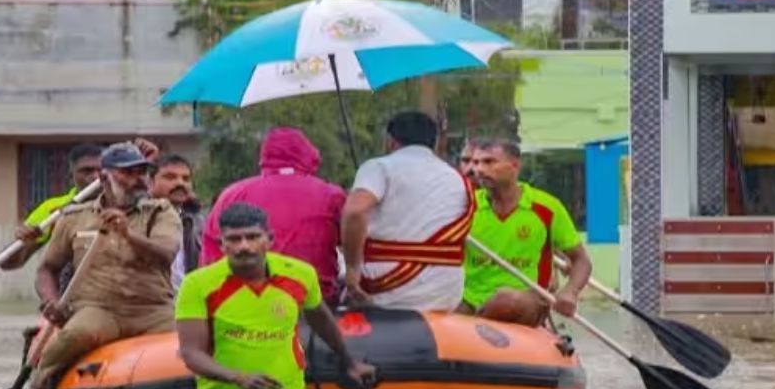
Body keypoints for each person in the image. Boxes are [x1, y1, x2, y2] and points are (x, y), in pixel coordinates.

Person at [177, 203, 374, 389]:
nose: (244, 246)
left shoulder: (300, 274)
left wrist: (349, 362)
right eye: (234, 239)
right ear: (221, 244)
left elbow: (321, 320)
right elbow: (190, 353)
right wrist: (238, 378)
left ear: (270, 240)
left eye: (253, 237)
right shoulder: (197, 285)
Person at [30, 142, 181, 389]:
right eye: (127, 173)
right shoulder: (74, 217)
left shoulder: (162, 212)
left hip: (153, 310)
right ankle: (39, 388)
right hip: (100, 310)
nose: (137, 180)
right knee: (72, 337)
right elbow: (47, 269)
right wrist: (51, 301)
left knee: (202, 337)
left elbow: (165, 254)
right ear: (103, 177)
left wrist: (128, 234)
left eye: (141, 172)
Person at [341, 111, 475, 311]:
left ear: (390, 141)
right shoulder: (457, 178)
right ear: (435, 143)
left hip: (387, 289)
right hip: (447, 291)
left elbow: (354, 213)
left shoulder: (378, 167)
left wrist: (352, 270)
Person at [201, 127, 346, 302]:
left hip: (243, 303)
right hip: (313, 301)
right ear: (309, 155)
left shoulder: (231, 194)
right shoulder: (331, 195)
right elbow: (353, 242)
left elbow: (209, 256)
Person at [461, 138, 592, 326]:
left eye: (489, 162)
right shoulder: (465, 205)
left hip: (528, 300)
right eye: (476, 163)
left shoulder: (546, 207)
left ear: (515, 166)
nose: (479, 170)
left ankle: (470, 332)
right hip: (470, 298)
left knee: (506, 300)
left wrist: (570, 291)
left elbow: (581, 260)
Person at [1, 143, 103, 271]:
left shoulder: (127, 204)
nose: (96, 177)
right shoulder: (54, 208)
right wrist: (24, 243)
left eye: (101, 170)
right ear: (71, 177)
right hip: (68, 288)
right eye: (87, 171)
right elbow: (7, 264)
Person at [151, 153, 204, 291]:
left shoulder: (197, 223)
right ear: (150, 182)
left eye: (186, 178)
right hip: (149, 304)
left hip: (187, 303)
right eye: (170, 177)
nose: (180, 183)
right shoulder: (138, 218)